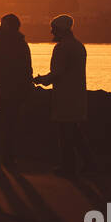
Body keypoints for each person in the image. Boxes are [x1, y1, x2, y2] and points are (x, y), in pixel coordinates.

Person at [33, 14, 95, 179]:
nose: (52, 32)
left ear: (60, 29)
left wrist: (41, 80)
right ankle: (88, 163)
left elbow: (57, 73)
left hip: (65, 96)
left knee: (66, 132)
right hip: (78, 94)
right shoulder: (79, 46)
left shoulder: (62, 48)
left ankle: (69, 167)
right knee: (74, 131)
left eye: (53, 29)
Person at [0, 13, 32, 168]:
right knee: (10, 125)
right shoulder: (22, 45)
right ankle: (8, 158)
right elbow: (27, 70)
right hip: (14, 91)